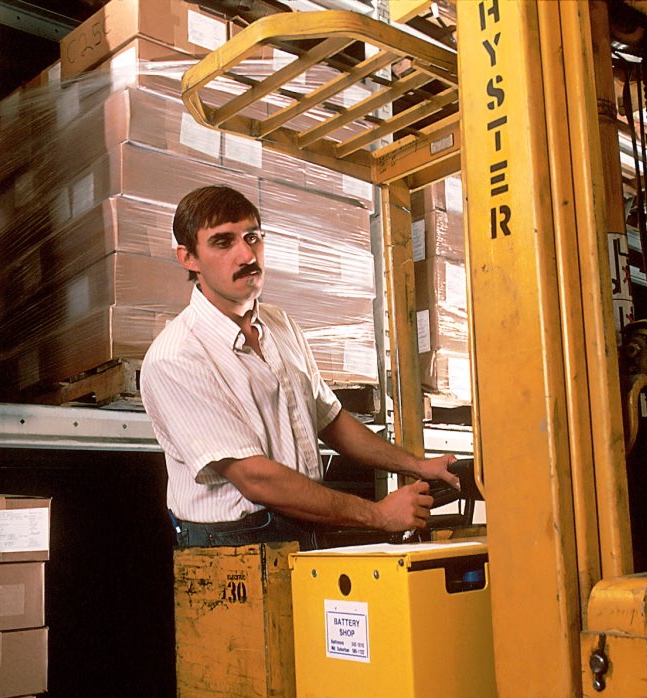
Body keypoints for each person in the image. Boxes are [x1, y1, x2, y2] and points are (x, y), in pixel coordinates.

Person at [140, 184, 459, 549]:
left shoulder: (280, 325)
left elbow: (331, 419)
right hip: (232, 544)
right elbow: (254, 479)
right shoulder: (178, 356)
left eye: (252, 237)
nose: (246, 254)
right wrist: (379, 515)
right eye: (223, 242)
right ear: (188, 258)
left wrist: (417, 466)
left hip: (303, 523)